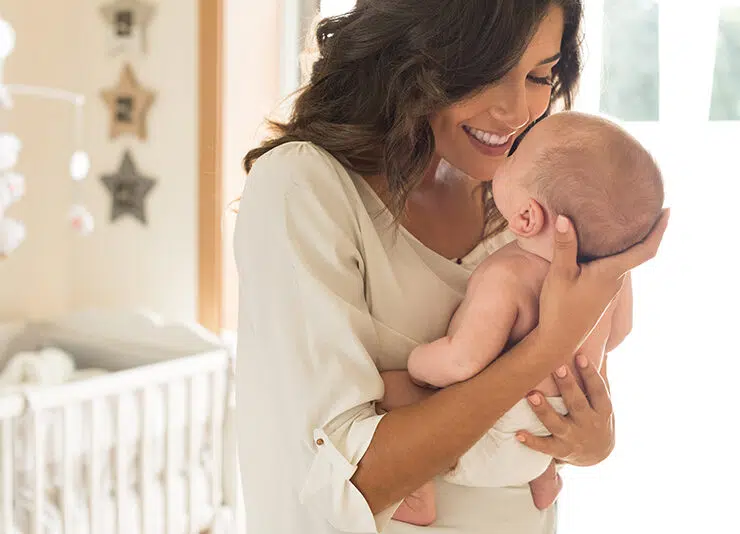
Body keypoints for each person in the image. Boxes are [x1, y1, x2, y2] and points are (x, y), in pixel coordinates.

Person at [232, 1, 670, 533]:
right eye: (486, 73)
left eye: (538, 75)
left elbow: (565, 395)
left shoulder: (523, 207)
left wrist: (591, 441)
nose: (515, 112)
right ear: (409, 55)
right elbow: (348, 481)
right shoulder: (304, 187)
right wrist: (544, 350)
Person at [387, 111, 664, 525]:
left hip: (489, 437)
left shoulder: (509, 275)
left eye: (514, 156)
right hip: (550, 438)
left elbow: (463, 360)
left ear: (527, 217)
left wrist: (418, 364)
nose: (506, 154)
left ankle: (416, 495)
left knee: (393, 390)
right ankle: (544, 479)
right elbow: (619, 335)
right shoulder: (608, 285)